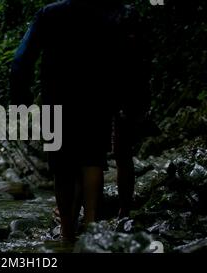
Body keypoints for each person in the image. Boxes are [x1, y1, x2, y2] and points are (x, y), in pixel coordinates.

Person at [10, 0, 151, 241]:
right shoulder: (114, 12)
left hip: (56, 96)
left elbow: (22, 58)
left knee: (61, 164)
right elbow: (134, 59)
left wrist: (20, 97)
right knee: (92, 158)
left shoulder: (49, 13)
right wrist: (133, 100)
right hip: (98, 96)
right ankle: (91, 224)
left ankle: (67, 232)